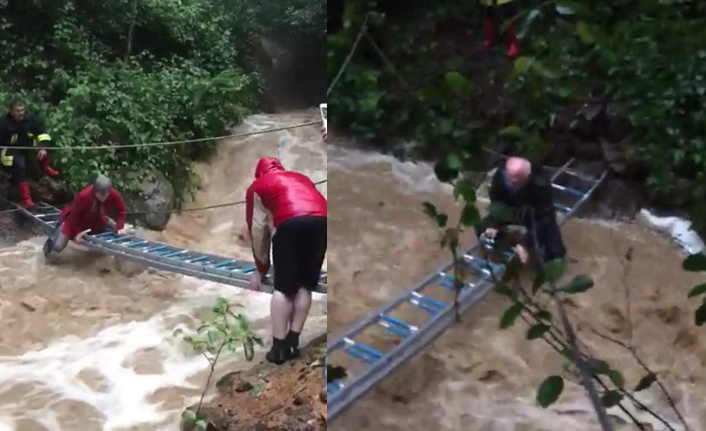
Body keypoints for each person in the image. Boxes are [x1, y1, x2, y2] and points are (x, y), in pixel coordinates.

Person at [246, 157, 327, 365]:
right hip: (323, 221)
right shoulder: (300, 177)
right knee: (304, 284)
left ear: (259, 173)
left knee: (283, 288)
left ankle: (279, 349)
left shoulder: (257, 186)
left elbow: (257, 229)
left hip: (290, 223)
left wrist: (261, 269)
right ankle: (293, 342)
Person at [476, 157, 566, 265]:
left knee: (549, 232)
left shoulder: (541, 184)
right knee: (483, 226)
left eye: (516, 182)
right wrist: (494, 224)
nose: (511, 183)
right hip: (509, 209)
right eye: (509, 180)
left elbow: (544, 216)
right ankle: (497, 243)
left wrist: (525, 244)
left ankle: (553, 257)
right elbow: (496, 201)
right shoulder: (500, 177)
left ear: (527, 178)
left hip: (532, 212)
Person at [43, 175, 127, 256]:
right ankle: (50, 250)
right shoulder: (84, 196)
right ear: (95, 191)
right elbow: (74, 216)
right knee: (58, 246)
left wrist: (120, 227)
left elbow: (121, 210)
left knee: (117, 231)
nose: (104, 197)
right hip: (77, 221)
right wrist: (77, 233)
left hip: (98, 219)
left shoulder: (113, 194)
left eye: (106, 194)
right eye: (101, 194)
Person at [0, 100, 60, 209]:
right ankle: (26, 200)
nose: (21, 113)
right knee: (19, 166)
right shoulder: (3, 123)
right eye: (18, 111)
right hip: (8, 152)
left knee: (46, 149)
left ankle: (45, 167)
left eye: (22, 110)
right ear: (11, 112)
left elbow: (42, 134)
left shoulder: (30, 120)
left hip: (27, 150)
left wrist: (43, 147)